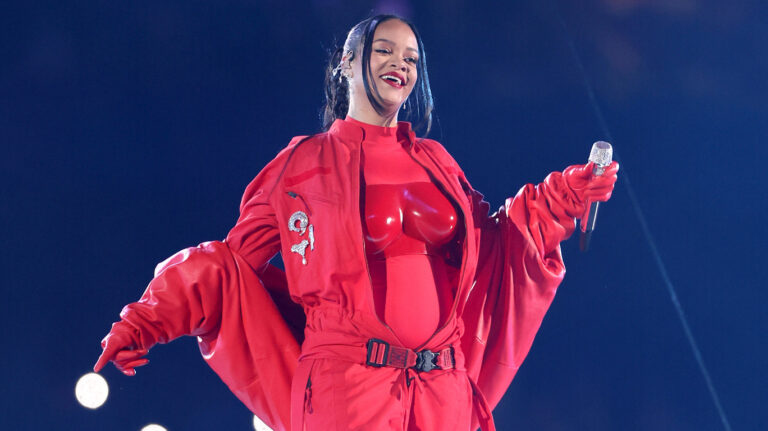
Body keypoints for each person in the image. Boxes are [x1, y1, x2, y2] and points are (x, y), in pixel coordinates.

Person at [94, 14, 618, 431]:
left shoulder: (436, 160)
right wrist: (147, 318)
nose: (400, 64)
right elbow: (230, 269)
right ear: (346, 62)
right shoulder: (301, 165)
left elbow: (499, 238)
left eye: (411, 57)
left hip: (441, 389)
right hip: (347, 391)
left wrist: (566, 194)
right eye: (385, 50)